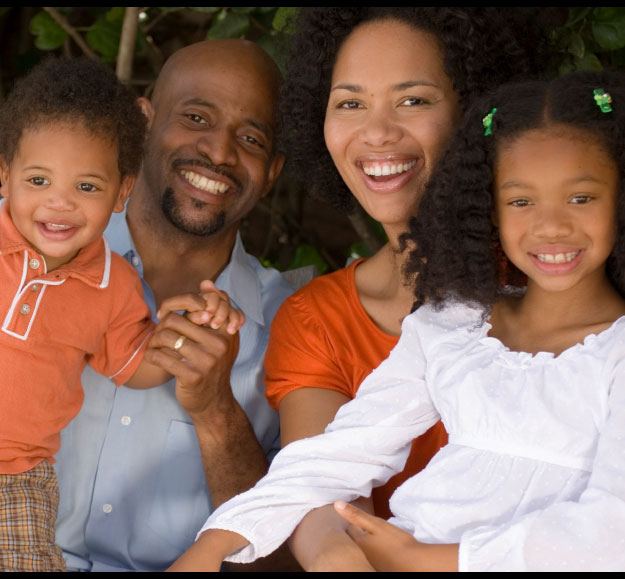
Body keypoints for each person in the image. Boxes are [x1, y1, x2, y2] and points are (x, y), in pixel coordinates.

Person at [168, 68, 625, 573]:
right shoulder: (452, 325)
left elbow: (611, 528)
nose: (551, 226)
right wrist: (209, 549)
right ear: (487, 211)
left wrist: (425, 559)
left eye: (581, 198)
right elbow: (341, 452)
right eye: (521, 201)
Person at [262, 6, 540, 569]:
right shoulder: (318, 318)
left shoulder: (562, 278)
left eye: (413, 100)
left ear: (475, 111)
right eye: (350, 103)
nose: (378, 132)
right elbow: (322, 501)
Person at [52, 40, 300, 572]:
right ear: (142, 123)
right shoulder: (20, 244)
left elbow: (281, 563)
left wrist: (217, 413)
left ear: (272, 170)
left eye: (250, 137)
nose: (219, 152)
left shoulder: (295, 327)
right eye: (196, 117)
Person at [0, 56, 243, 572]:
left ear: (121, 192)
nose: (59, 203)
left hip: (18, 479)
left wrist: (186, 332)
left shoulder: (112, 286)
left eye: (86, 187)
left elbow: (134, 367)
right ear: (4, 175)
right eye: (38, 180)